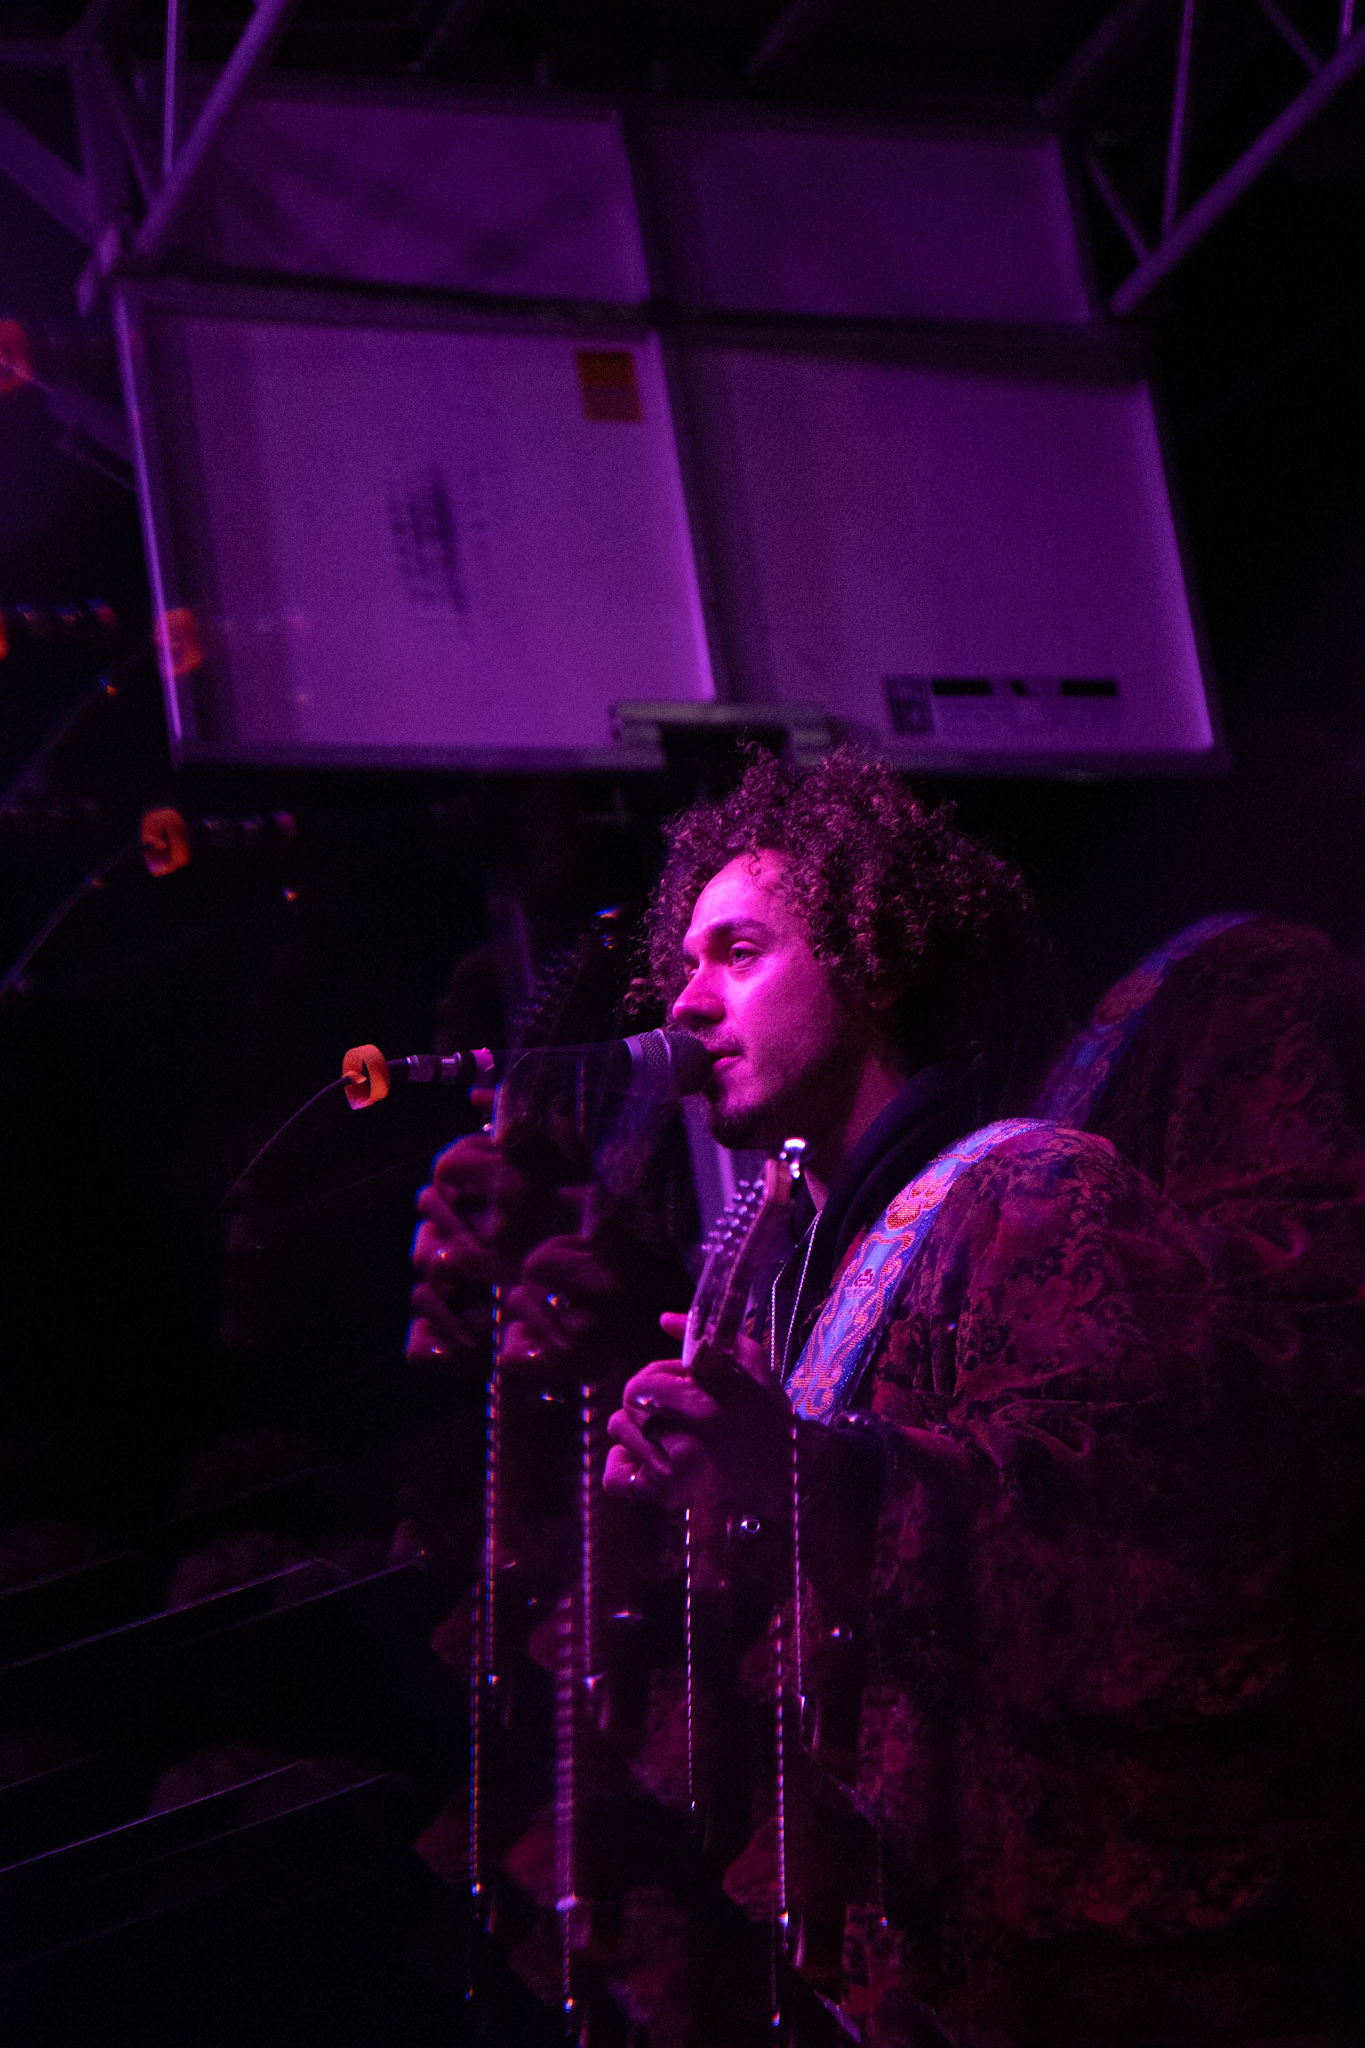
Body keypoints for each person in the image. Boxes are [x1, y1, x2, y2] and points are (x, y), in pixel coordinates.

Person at [597, 750, 1365, 2047]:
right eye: (684, 963)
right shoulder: (790, 1280)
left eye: (739, 952)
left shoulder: (1033, 1191)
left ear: (874, 960)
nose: (687, 1002)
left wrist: (803, 1473)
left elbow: (1118, 1536)